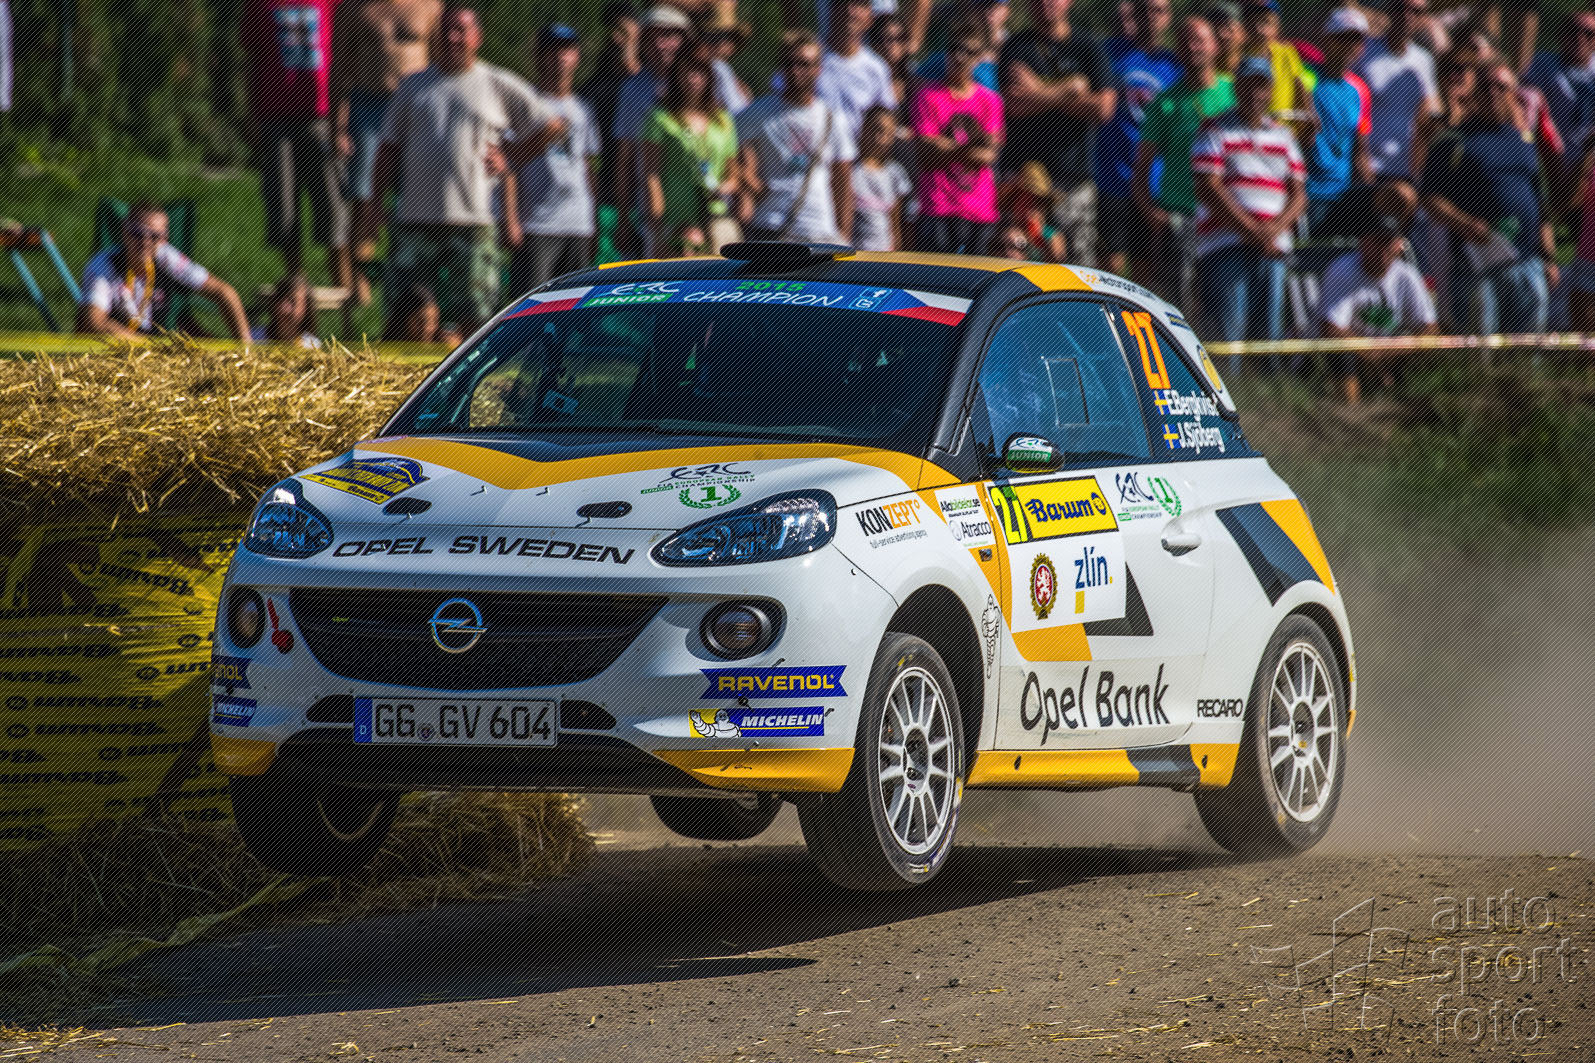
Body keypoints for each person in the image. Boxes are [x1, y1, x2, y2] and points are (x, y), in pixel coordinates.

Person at [361, 6, 563, 334]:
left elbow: (553, 125)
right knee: (402, 317)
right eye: (447, 30)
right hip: (415, 220)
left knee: (475, 319)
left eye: (461, 30)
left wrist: (511, 156)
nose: (453, 37)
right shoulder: (413, 86)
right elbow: (387, 149)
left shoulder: (495, 83)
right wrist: (374, 205)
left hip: (472, 224)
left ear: (477, 37)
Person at [1421, 61, 1559, 334]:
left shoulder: (1524, 140)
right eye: (1485, 86)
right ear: (1474, 93)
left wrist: (1549, 257)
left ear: (1514, 95)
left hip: (1527, 264)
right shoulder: (1453, 140)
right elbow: (1429, 198)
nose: (1493, 92)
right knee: (1479, 349)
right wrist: (1464, 223)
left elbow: (1540, 204)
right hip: (1477, 266)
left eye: (1501, 87)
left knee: (1526, 347)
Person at [1191, 55, 1306, 364]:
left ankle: (1268, 392)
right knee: (1228, 337)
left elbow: (1298, 194)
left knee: (1268, 339)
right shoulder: (1214, 130)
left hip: (1273, 247)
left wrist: (1273, 230)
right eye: (1248, 85)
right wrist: (1253, 230)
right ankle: (1227, 388)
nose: (1256, 93)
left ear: (1270, 90)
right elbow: (1208, 188)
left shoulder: (1284, 135)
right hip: (1226, 246)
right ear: (1237, 88)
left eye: (1262, 85)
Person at [330, 0, 442, 303]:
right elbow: (340, 66)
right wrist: (338, 127)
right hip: (368, 105)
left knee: (415, 198)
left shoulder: (430, 6)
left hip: (414, 108)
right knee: (364, 198)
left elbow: (440, 64)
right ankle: (358, 276)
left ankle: (412, 279)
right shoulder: (354, 8)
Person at [244, 0, 352, 290]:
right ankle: (295, 287)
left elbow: (345, 57)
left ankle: (344, 287)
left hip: (322, 116)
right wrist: (252, 116)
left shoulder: (331, 3)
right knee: (283, 205)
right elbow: (252, 60)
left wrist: (341, 122)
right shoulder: (258, 4)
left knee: (333, 203)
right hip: (274, 117)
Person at [998, 0, 1114, 267]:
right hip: (1023, 184)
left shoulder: (1088, 47)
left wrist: (1036, 92)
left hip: (1073, 181)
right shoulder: (1016, 47)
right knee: (1019, 265)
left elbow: (1103, 108)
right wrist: (1070, 89)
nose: (1046, 2)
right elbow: (1013, 104)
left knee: (1076, 270)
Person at [1134, 14, 1234, 309]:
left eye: (1199, 40)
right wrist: (1152, 214)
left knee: (1217, 308)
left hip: (1224, 218)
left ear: (1215, 45)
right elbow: (1140, 170)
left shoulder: (1234, 94)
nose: (1192, 47)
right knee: (1176, 309)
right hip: (1178, 218)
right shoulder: (1164, 103)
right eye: (1185, 41)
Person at [504, 24, 599, 293]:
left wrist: (594, 221)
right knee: (533, 303)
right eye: (553, 50)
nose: (560, 57)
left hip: (577, 224)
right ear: (540, 56)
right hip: (537, 223)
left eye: (567, 50)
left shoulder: (583, 108)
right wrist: (510, 218)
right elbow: (509, 163)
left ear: (576, 56)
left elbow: (589, 166)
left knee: (575, 304)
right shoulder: (526, 102)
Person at [737, 31, 856, 243]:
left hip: (819, 229)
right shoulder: (759, 112)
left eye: (804, 64)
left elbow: (843, 179)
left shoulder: (832, 117)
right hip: (770, 226)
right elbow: (725, 145)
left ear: (818, 68)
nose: (796, 70)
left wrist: (845, 235)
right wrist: (749, 180)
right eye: (789, 62)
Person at [77, 202, 250, 340]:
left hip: (148, 351)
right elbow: (94, 323)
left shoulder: (166, 257)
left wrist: (245, 350)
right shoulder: (103, 265)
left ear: (164, 239)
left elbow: (224, 292)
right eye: (137, 233)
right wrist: (146, 348)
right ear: (124, 231)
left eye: (154, 236)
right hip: (108, 353)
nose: (145, 242)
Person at [1096, 0, 1178, 280]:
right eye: (1145, 9)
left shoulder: (1174, 64)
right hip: (1112, 178)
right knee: (1110, 269)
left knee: (1145, 272)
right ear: (1135, 13)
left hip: (1153, 182)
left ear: (1168, 17)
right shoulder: (1109, 52)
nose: (1151, 16)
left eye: (1159, 10)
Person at [1319, 214, 1437, 402]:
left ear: (1399, 245)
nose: (1384, 249)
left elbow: (1430, 329)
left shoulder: (1407, 275)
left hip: (1392, 354)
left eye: (1389, 242)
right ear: (1362, 242)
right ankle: (1349, 410)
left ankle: (1412, 407)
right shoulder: (1342, 270)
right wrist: (1370, 352)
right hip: (1355, 355)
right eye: (1377, 241)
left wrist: (1387, 352)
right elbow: (1331, 328)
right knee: (1340, 352)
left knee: (1431, 351)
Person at [911, 18, 1003, 253]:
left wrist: (944, 147)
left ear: (978, 57)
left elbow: (988, 156)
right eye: (954, 48)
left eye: (968, 51)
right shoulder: (927, 96)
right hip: (937, 209)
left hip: (980, 212)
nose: (959, 56)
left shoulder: (990, 101)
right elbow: (924, 154)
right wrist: (973, 144)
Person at [641, 49, 741, 256]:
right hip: (675, 220)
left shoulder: (723, 120)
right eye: (687, 71)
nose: (693, 78)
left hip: (715, 218)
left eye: (700, 72)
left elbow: (733, 175)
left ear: (709, 76)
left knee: (720, 272)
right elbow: (651, 174)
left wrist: (723, 188)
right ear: (676, 75)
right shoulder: (660, 118)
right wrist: (656, 228)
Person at [612, 6, 694, 254]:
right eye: (653, 37)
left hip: (702, 211)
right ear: (644, 43)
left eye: (670, 35)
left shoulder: (709, 78)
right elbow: (624, 160)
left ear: (686, 39)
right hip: (654, 215)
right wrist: (623, 219)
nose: (661, 44)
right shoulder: (633, 90)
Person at [1305, 8, 1375, 238]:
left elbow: (1360, 149)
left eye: (1356, 40)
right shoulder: (1306, 78)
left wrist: (1371, 195)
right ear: (1327, 39)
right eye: (1342, 38)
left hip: (1343, 195)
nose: (1349, 46)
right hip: (1308, 194)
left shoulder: (1360, 90)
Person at [1356, 0, 1441, 182]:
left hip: (1406, 170)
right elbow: (1351, 107)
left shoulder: (1425, 60)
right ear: (1390, 9)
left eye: (1416, 11)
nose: (1407, 16)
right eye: (1401, 8)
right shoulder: (1364, 51)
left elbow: (1430, 113)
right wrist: (1360, 158)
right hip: (1366, 167)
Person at [1523, 10, 1595, 186]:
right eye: (1572, 30)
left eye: (1588, 33)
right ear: (1560, 34)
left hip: (1589, 168)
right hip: (1547, 165)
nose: (1579, 38)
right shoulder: (1540, 65)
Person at [581, 2, 641, 212]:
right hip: (605, 195)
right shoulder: (597, 85)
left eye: (623, 31)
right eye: (612, 30)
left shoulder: (653, 83)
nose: (616, 38)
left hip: (646, 195)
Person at [818, 0, 899, 140]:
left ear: (870, 18)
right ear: (831, 9)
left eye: (858, 4)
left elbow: (887, 122)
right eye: (843, 3)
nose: (850, 11)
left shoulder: (877, 69)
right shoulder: (807, 61)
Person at [852, 105, 914, 250]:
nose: (880, 139)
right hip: (854, 256)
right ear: (864, 129)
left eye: (888, 134)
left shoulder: (895, 174)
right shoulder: (850, 172)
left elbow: (896, 222)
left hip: (884, 255)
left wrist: (897, 254)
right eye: (876, 130)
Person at [1239, 0, 1311, 122]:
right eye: (1252, 21)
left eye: (1266, 22)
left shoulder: (1287, 52)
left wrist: (1309, 114)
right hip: (1247, 126)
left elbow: (1298, 84)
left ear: (1277, 27)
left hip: (1283, 129)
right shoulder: (1239, 56)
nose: (1259, 29)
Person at [996, 161, 1065, 260]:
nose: (1028, 210)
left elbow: (1058, 260)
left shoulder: (1052, 235)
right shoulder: (1001, 229)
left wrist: (1040, 241)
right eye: (1023, 203)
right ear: (1013, 203)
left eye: (1034, 204)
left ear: (1043, 208)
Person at [252, 272, 322, 347]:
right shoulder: (254, 338)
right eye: (280, 299)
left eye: (293, 302)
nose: (284, 308)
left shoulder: (312, 346)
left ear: (307, 308)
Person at [383, 283, 461, 345]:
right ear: (403, 319)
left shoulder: (441, 344)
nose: (426, 329)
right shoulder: (386, 351)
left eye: (434, 322)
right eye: (420, 322)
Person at [1202, 0, 1241, 76]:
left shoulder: (1259, 70)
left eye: (1229, 29)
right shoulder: (1202, 78)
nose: (1224, 35)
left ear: (1242, 32)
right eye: (1216, 30)